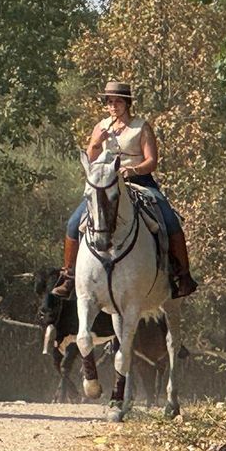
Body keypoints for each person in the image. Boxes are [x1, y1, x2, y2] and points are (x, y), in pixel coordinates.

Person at [52, 80, 196, 299]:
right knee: (74, 223)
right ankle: (69, 276)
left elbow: (151, 161)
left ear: (127, 103)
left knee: (169, 220)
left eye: (118, 102)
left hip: (139, 182)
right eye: (109, 102)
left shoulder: (141, 127)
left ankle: (182, 275)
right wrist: (96, 144)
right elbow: (90, 160)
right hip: (106, 185)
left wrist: (132, 170)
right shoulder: (100, 127)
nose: (113, 106)